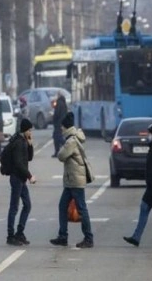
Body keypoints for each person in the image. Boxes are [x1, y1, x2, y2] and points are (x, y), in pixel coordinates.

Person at [50, 112, 94, 249]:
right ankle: (63, 236)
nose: (61, 129)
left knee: (81, 208)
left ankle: (88, 238)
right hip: (72, 180)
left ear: (66, 127)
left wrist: (62, 147)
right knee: (63, 206)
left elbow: (61, 155)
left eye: (62, 127)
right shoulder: (73, 138)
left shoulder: (71, 141)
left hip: (75, 180)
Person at [5, 118, 36, 246]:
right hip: (17, 178)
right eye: (30, 130)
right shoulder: (18, 143)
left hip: (21, 179)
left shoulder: (24, 142)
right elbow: (19, 163)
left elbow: (29, 158)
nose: (31, 132)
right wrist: (29, 176)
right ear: (25, 130)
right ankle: (11, 235)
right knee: (14, 207)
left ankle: (20, 232)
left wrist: (30, 145)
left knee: (27, 205)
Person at [51, 92, 68, 158]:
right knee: (58, 137)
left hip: (58, 123)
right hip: (63, 123)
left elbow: (57, 114)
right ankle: (58, 151)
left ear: (58, 96)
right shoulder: (64, 103)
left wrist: (53, 118)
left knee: (57, 137)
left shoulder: (58, 103)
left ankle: (59, 150)